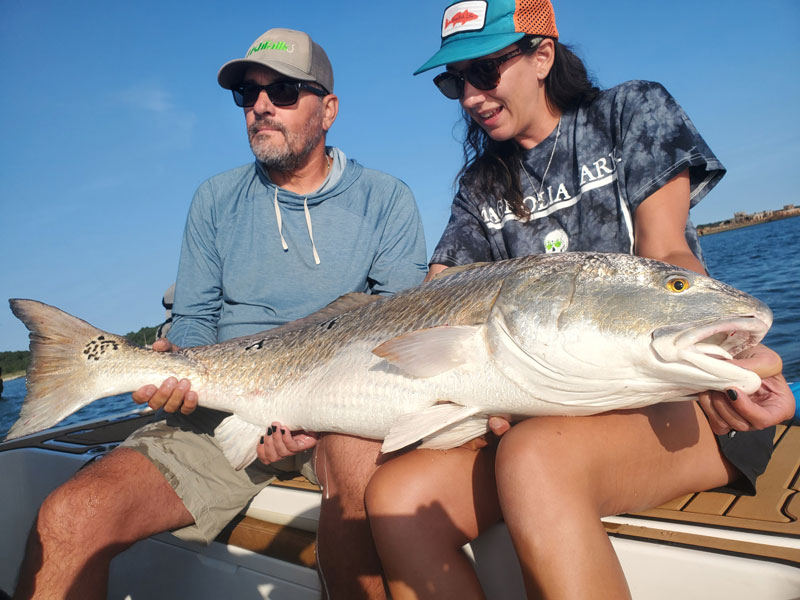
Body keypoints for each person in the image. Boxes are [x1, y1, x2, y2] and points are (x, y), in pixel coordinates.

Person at [363, 2, 795, 599]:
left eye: (484, 72)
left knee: (533, 457)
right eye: (453, 81)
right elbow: (436, 300)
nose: (469, 97)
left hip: (674, 404)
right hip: (555, 409)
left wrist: (730, 359)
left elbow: (667, 255)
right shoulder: (480, 184)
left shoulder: (631, 111)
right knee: (394, 499)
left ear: (542, 55)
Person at [12, 27, 426, 600]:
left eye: (282, 91)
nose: (260, 106)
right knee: (67, 516)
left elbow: (402, 332)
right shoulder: (213, 199)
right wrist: (179, 374)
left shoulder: (388, 200)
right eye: (247, 94)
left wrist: (306, 419)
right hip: (218, 415)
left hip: (340, 417)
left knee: (362, 488)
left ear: (328, 109)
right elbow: (194, 324)